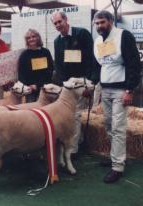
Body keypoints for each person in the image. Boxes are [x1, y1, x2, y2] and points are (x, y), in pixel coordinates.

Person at [93, 10, 141, 183]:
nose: (99, 26)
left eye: (102, 22)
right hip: (105, 89)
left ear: (111, 21)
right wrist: (93, 83)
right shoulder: (98, 40)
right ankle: (116, 156)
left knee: (118, 127)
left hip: (121, 89)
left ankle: (118, 167)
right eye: (97, 23)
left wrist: (129, 89)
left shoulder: (123, 36)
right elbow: (99, 65)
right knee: (108, 125)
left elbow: (134, 63)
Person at [51, 11, 95, 157]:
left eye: (59, 22)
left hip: (83, 80)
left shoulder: (82, 34)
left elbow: (91, 58)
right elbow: (58, 65)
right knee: (72, 114)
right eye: (55, 23)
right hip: (68, 83)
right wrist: (64, 84)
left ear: (66, 20)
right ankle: (78, 141)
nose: (58, 25)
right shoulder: (57, 41)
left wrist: (89, 82)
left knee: (75, 114)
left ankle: (73, 149)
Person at [18, 29, 54, 102]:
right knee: (31, 111)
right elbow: (21, 73)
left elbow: (50, 69)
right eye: (28, 38)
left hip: (45, 87)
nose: (31, 39)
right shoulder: (24, 55)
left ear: (38, 37)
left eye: (33, 36)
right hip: (31, 90)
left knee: (46, 109)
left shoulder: (45, 52)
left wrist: (40, 85)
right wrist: (28, 86)